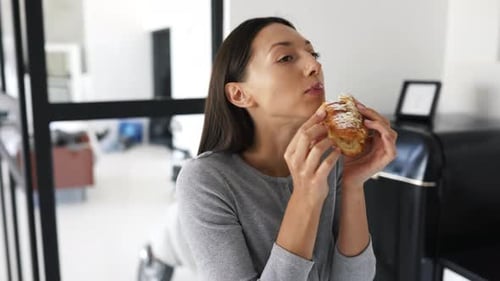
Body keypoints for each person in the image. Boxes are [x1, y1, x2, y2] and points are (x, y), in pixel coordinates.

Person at [176, 16, 397, 281]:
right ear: (239, 94)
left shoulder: (327, 157)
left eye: (312, 53)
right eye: (286, 58)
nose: (315, 64)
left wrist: (352, 184)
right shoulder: (206, 180)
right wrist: (305, 197)